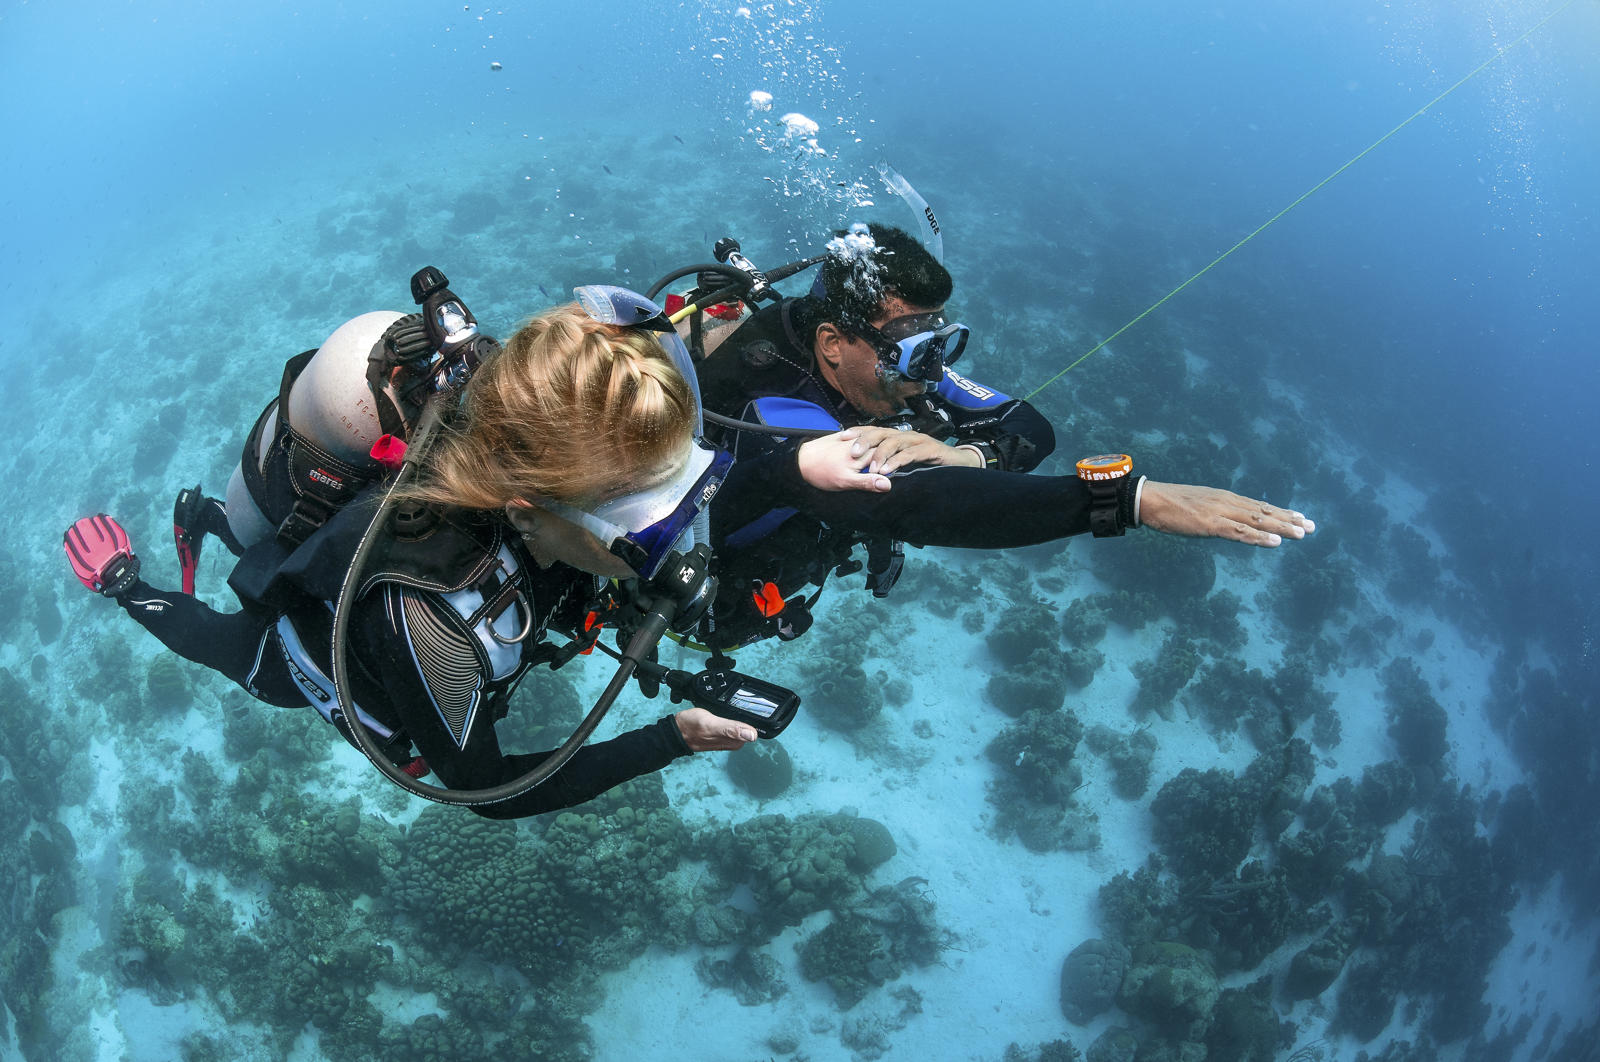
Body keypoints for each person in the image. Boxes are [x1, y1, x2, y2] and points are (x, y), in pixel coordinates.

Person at [63, 296, 774, 818]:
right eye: (647, 532)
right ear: (527, 513)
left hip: (422, 548)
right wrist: (671, 739)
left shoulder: (541, 447)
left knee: (279, 559)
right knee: (233, 651)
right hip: (307, 654)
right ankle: (127, 583)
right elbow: (486, 789)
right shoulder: (427, 616)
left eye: (689, 492)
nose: (676, 543)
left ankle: (221, 522)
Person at [684, 223, 1315, 650]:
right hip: (710, 579)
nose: (930, 373)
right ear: (832, 343)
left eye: (939, 344)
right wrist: (1126, 501)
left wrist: (970, 453)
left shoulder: (889, 363)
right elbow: (911, 504)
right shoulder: (774, 406)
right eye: (914, 351)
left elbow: (1029, 425)